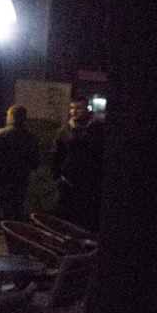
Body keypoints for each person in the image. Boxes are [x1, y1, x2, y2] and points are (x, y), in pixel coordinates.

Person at [52, 97, 106, 232]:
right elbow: (56, 155)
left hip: (91, 182)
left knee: (86, 219)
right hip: (68, 181)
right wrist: (58, 177)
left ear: (87, 109)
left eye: (78, 108)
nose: (74, 111)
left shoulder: (97, 130)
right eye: (72, 108)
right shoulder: (65, 131)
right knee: (66, 218)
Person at [0, 105, 40, 220]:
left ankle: (1, 224)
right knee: (17, 205)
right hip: (21, 177)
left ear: (11, 116)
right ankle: (14, 225)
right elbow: (35, 162)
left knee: (0, 204)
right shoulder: (31, 137)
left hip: (1, 175)